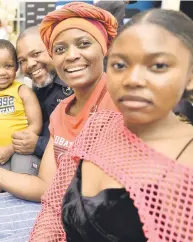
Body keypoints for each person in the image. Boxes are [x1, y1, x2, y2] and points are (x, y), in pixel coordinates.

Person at [0, 3, 118, 241]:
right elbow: (45, 187)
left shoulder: (121, 102)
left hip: (96, 225)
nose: (71, 55)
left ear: (104, 47)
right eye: (60, 49)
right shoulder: (60, 111)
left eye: (84, 43)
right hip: (57, 209)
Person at [29, 7, 193, 242]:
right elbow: (53, 208)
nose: (133, 80)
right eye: (120, 65)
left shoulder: (186, 163)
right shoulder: (98, 126)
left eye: (157, 66)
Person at [0, 39, 42, 196]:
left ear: (16, 67)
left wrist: (10, 148)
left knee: (22, 182)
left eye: (8, 66)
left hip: (21, 151)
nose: (2, 72)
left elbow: (36, 126)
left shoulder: (23, 91)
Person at [14, 25, 74, 160]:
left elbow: (83, 149)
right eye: (22, 61)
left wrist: (38, 145)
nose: (29, 64)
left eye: (36, 54)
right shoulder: (34, 90)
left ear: (52, 49)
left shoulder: (75, 89)